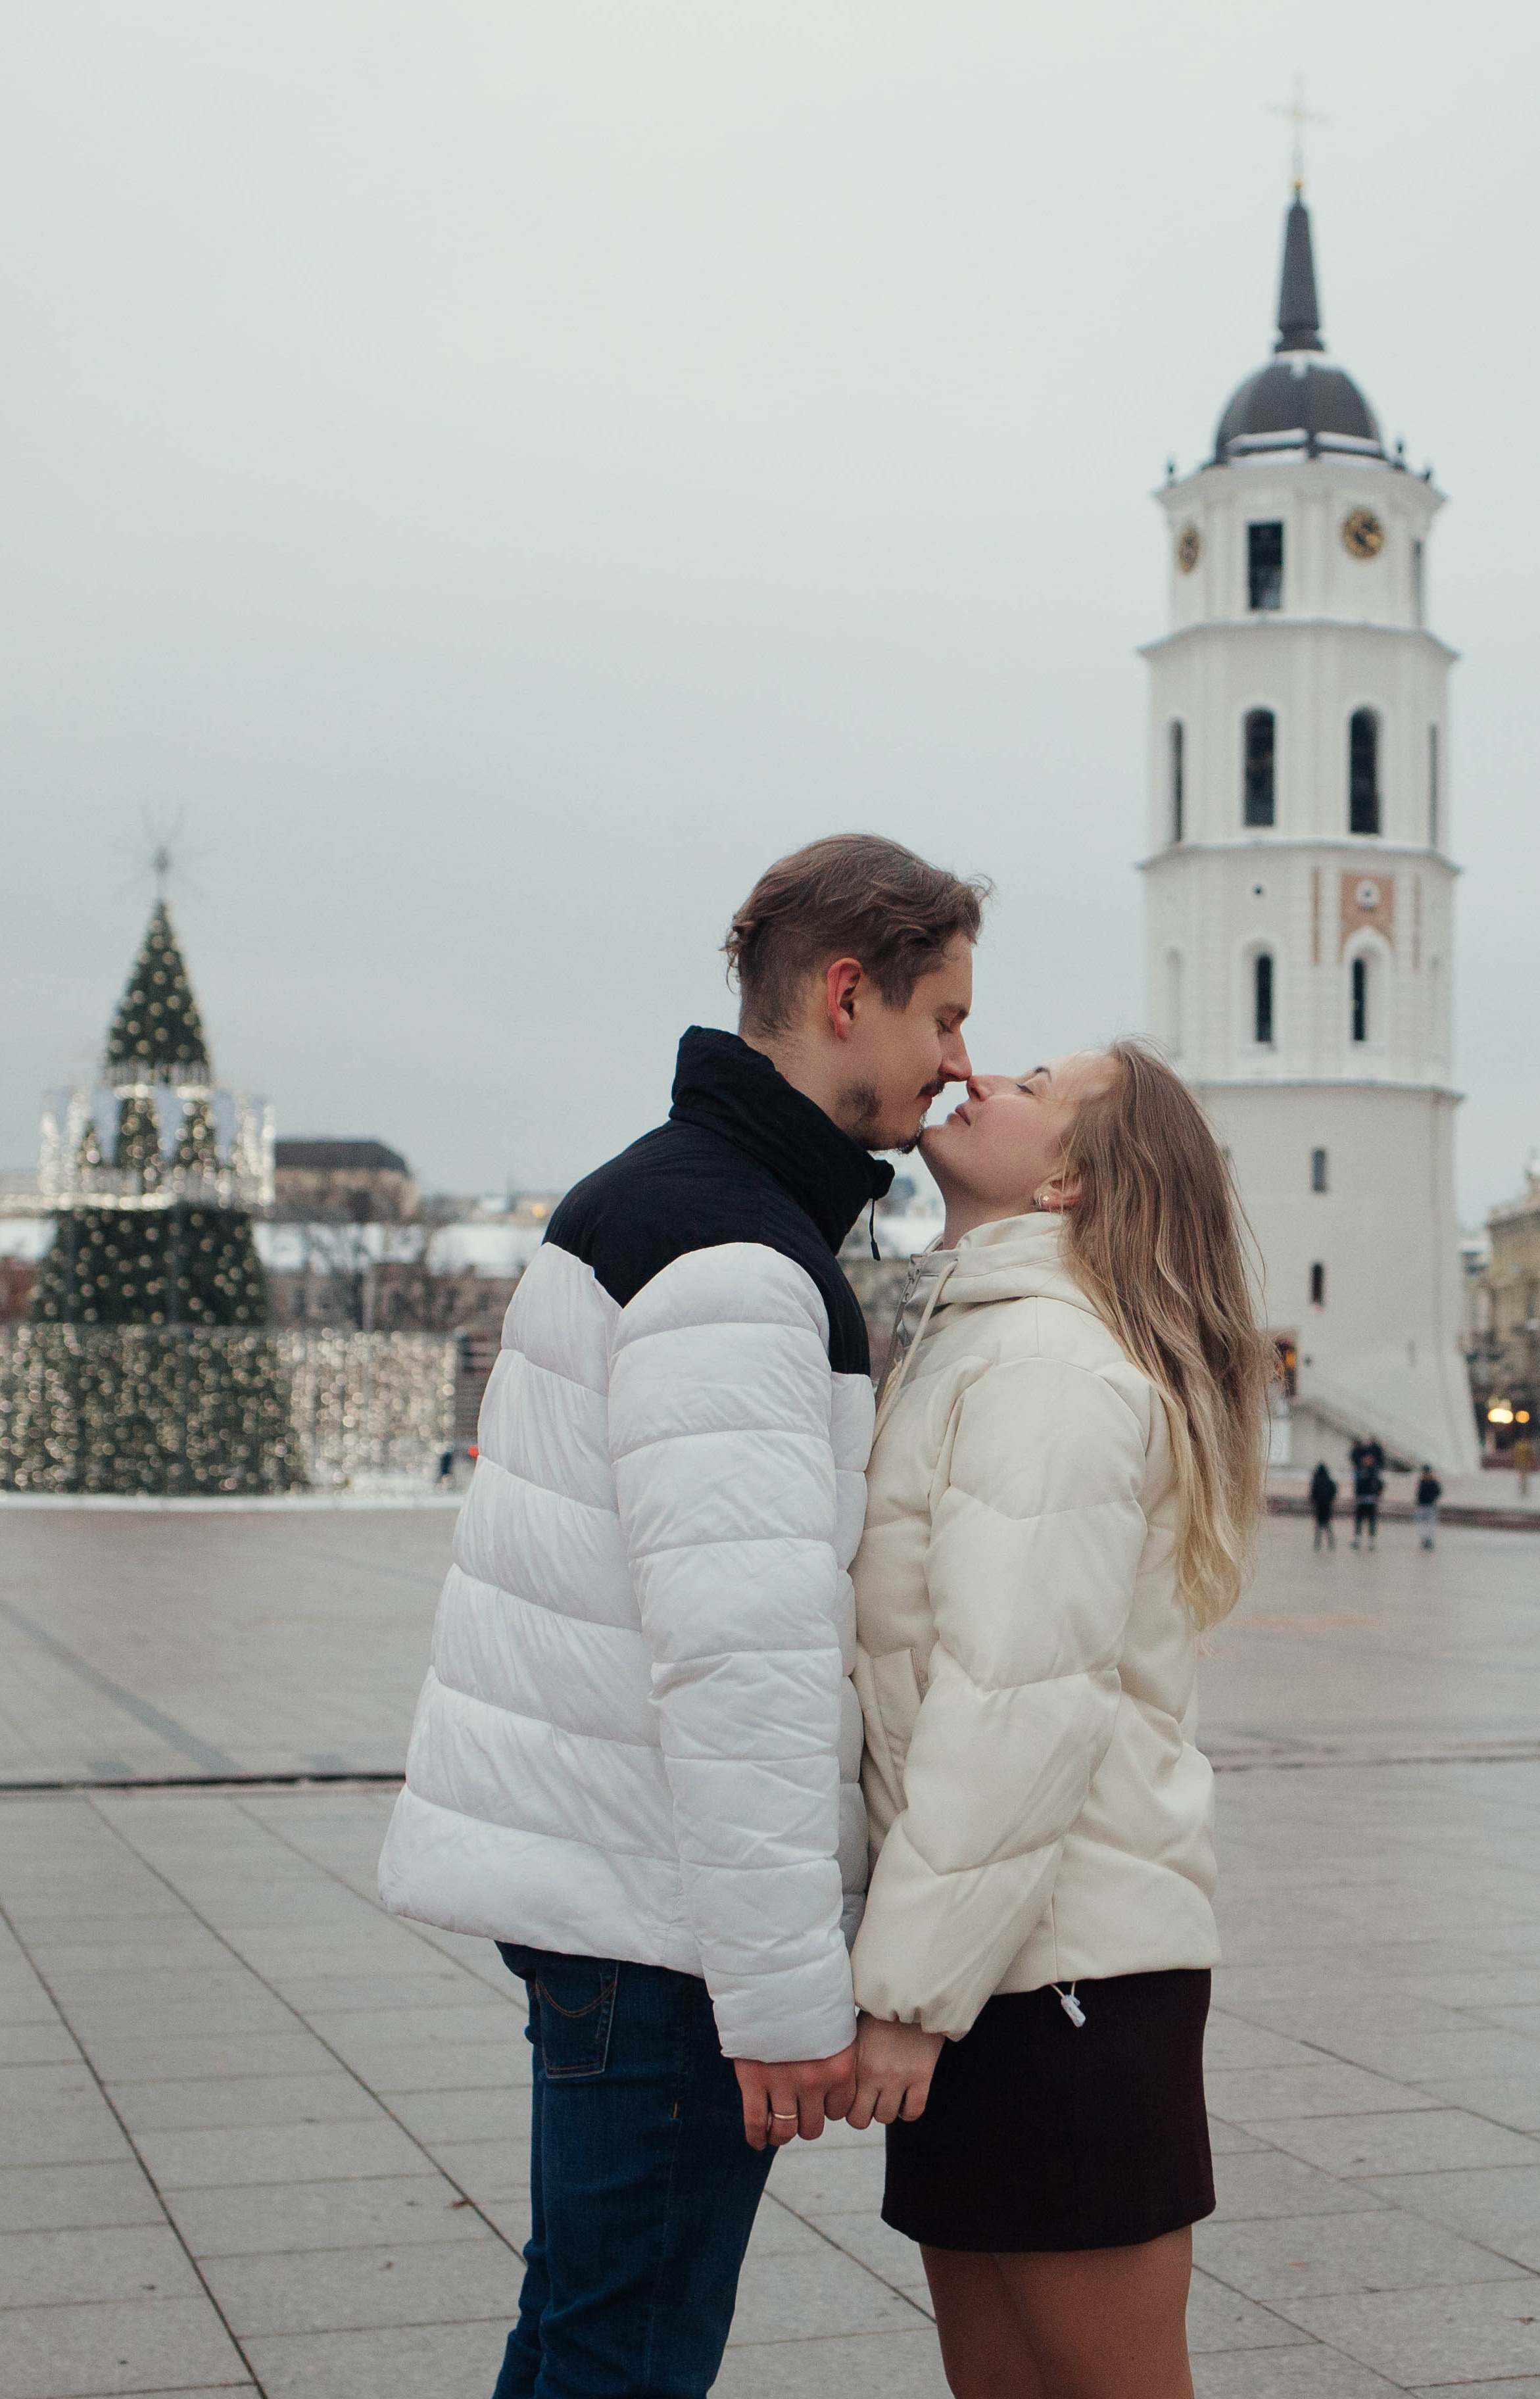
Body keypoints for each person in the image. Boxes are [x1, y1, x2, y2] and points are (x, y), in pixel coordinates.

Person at [377, 835, 986, 2399]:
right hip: (662, 1932)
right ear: (848, 996)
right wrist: (782, 2003)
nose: (955, 1067)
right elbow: (739, 1663)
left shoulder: (677, 1199)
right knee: (621, 2357)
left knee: (589, 2334)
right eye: (943, 1019)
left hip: (622, 1896)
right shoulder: (731, 1252)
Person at [844, 1042, 1270, 2399]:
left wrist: (907, 1995)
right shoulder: (986, 1339)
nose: (980, 1076)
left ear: (1075, 1178)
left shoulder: (1051, 1371)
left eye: (1032, 1082)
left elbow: (1015, 1708)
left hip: (1062, 1981)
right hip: (998, 1968)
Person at [1352, 1449, 1383, 1549]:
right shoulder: (1360, 1471)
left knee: (1372, 1521)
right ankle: (1357, 1539)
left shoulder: (1375, 1472)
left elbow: (1380, 1485)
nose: (1368, 1461)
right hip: (1362, 1499)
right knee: (1359, 1521)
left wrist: (1377, 1494)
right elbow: (1357, 1485)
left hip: (1371, 1500)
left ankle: (1371, 1541)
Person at [1310, 1460, 1338, 1550]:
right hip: (1327, 1506)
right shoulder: (1329, 1481)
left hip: (1319, 1506)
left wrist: (1313, 1502)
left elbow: (1313, 1494)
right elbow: (1334, 1491)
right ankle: (1331, 1544)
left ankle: (1317, 1545)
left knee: (1319, 1526)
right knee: (1328, 1525)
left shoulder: (1316, 1481)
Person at [1416, 1465, 1442, 1549]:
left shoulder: (1433, 1482)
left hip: (1430, 1505)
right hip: (1423, 1505)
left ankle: (1429, 1540)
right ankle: (1425, 1540)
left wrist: (1432, 1499)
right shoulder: (1422, 1481)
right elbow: (1419, 1493)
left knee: (1430, 1524)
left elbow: (1438, 1492)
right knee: (1423, 1524)